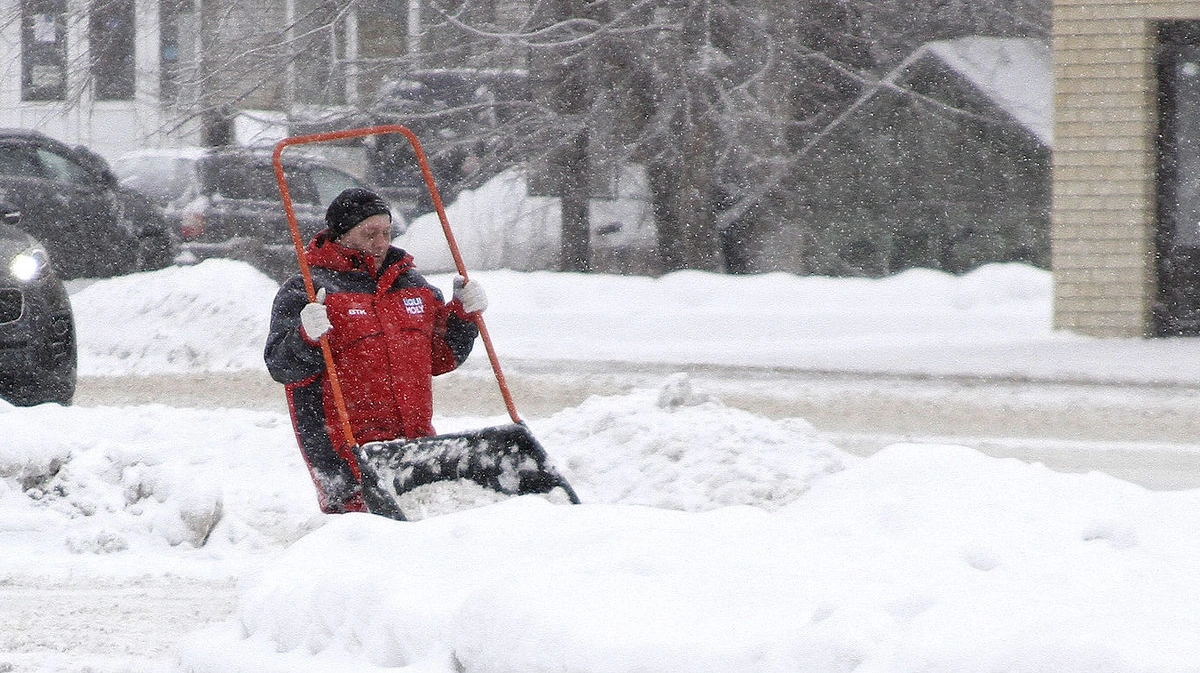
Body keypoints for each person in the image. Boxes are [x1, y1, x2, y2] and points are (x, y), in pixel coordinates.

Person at [264, 187, 487, 515]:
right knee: (366, 545)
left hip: (415, 448)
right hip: (344, 455)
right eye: (370, 234)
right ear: (341, 234)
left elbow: (440, 357)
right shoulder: (308, 290)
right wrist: (305, 338)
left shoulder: (412, 285)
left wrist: (463, 318)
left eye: (386, 232)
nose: (381, 242)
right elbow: (281, 367)